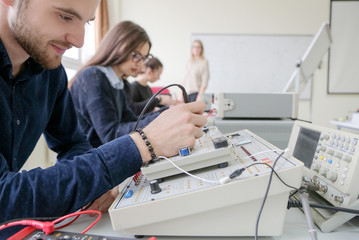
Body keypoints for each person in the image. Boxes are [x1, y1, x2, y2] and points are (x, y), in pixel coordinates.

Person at [0, 0, 207, 238]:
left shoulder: (50, 72)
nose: (79, 41)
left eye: (86, 22)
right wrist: (143, 144)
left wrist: (93, 184)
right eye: (65, 16)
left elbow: (73, 143)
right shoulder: (90, 76)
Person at [69, 21, 162, 148]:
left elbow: (130, 120)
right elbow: (111, 135)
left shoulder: (117, 82)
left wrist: (163, 113)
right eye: (136, 55)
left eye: (144, 58)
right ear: (118, 46)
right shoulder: (93, 77)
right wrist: (161, 117)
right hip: (88, 160)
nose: (140, 64)